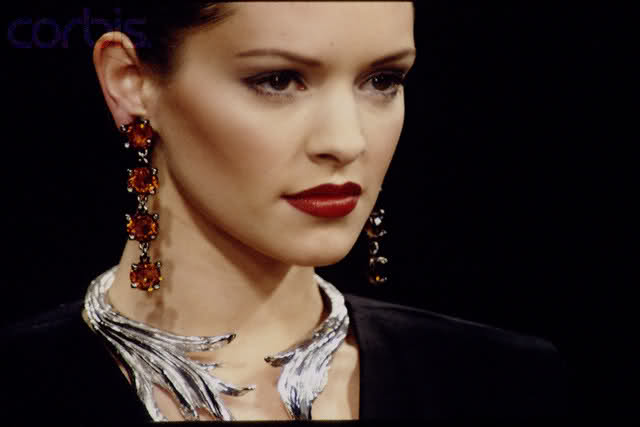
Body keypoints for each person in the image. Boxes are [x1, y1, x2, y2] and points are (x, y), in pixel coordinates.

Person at [2, 2, 568, 423]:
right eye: (277, 80)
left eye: (382, 80)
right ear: (132, 82)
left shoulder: (500, 383)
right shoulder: (22, 387)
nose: (346, 141)